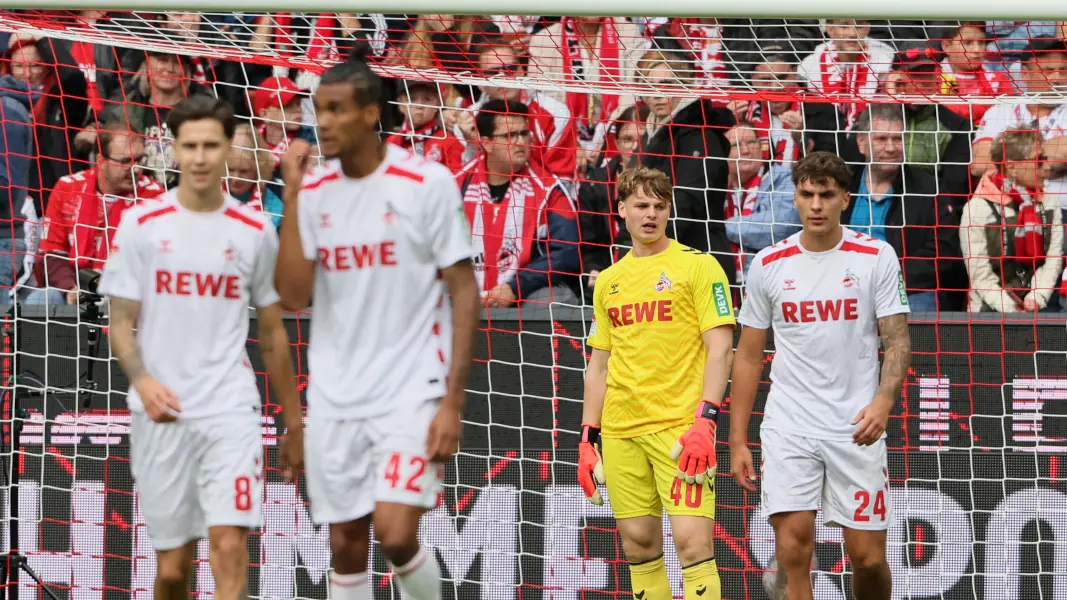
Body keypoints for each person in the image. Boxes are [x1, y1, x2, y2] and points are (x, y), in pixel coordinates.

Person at [274, 45, 482, 600]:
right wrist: (292, 195)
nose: (323, 122)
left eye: (337, 109)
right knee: (345, 542)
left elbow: (465, 292)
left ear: (371, 113)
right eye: (318, 109)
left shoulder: (425, 184)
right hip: (337, 397)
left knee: (394, 531)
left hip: (411, 392)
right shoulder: (313, 193)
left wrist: (452, 403)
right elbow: (293, 295)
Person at [97, 95, 304, 600]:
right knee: (173, 571)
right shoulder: (141, 225)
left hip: (229, 407)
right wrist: (142, 381)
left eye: (211, 145)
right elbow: (121, 322)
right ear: (174, 147)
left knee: (229, 545)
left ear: (229, 145)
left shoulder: (254, 229)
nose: (200, 157)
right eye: (189, 145)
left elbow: (274, 331)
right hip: (161, 411)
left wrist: (294, 420)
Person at [729, 151, 911, 600]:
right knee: (794, 551)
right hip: (790, 426)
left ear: (845, 200)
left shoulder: (875, 257)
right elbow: (749, 355)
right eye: (807, 194)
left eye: (826, 195)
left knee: (868, 559)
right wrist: (736, 440)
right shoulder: (769, 264)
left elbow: (898, 339)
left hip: (856, 428)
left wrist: (884, 402)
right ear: (794, 197)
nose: (816, 205)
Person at [579, 166, 735, 600]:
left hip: (680, 433)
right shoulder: (608, 281)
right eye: (642, 205)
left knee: (693, 546)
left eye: (659, 206)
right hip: (621, 432)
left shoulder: (699, 266)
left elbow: (721, 349)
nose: (651, 215)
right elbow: (599, 366)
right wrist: (587, 439)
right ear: (622, 209)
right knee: (640, 549)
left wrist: (705, 421)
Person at [456, 98, 581, 307]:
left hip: (522, 293)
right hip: (461, 289)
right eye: (509, 136)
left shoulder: (549, 189)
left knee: (557, 300)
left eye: (524, 133)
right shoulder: (456, 184)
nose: (520, 142)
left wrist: (516, 287)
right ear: (486, 142)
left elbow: (567, 253)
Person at [31, 121, 165, 305]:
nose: (136, 169)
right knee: (39, 300)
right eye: (125, 161)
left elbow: (155, 262)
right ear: (101, 161)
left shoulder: (154, 197)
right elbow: (52, 254)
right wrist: (71, 289)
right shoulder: (67, 187)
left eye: (139, 160)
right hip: (75, 285)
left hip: (127, 292)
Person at [961, 129, 1064, 312]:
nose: (1047, 167)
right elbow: (980, 276)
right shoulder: (977, 208)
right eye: (1039, 161)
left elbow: (1053, 259)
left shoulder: (1049, 202)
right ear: (1012, 167)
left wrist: (1036, 298)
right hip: (988, 312)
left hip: (1039, 306)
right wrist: (1013, 310)